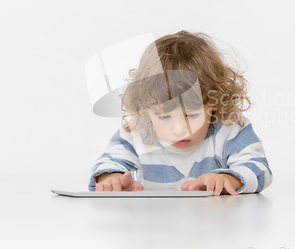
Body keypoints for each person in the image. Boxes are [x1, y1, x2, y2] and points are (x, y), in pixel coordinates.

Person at [89, 31, 272, 195]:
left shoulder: (228, 128)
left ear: (215, 103)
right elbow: (109, 162)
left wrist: (229, 179)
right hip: (154, 227)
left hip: (213, 225)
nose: (179, 129)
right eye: (164, 117)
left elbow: (260, 169)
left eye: (191, 115)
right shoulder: (140, 131)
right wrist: (111, 178)